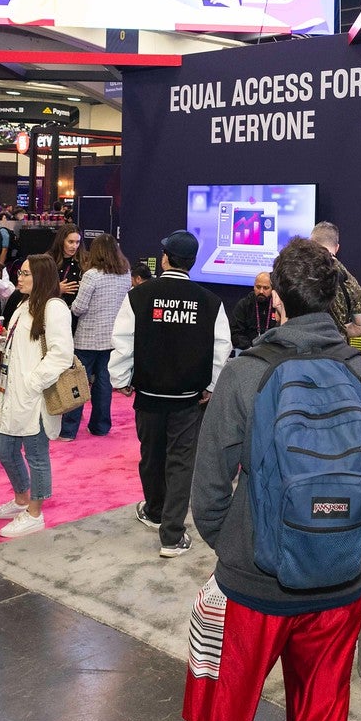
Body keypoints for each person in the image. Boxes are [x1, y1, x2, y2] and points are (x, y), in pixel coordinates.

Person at [183, 237, 361, 721]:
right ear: (333, 299)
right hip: (339, 591)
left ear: (275, 297)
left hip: (252, 588)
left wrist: (238, 548)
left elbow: (207, 491)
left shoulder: (246, 373)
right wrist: (358, 559)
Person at [111, 230, 231, 558]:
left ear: (165, 258)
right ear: (192, 262)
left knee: (151, 453)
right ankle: (172, 535)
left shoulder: (139, 296)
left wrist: (119, 378)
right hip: (188, 398)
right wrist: (210, 386)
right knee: (180, 461)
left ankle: (154, 510)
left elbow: (123, 340)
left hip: (148, 394)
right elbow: (222, 348)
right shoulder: (210, 301)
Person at [0, 255, 72, 539]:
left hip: (34, 397)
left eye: (25, 273)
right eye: (19, 273)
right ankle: (22, 499)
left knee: (37, 455)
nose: (19, 278)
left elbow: (61, 353)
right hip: (14, 394)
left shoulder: (54, 307)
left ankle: (35, 513)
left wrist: (33, 382)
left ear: (41, 276)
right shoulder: (25, 305)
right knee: (5, 450)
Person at [68, 231, 130, 438]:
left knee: (77, 384)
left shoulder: (91, 275)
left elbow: (79, 307)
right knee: (104, 384)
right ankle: (100, 426)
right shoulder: (125, 273)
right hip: (112, 338)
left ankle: (69, 429)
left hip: (87, 338)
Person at [308, 221, 361, 340]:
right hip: (337, 353)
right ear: (337, 247)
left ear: (311, 244)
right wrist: (337, 332)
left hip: (304, 351)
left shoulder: (299, 274)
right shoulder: (351, 283)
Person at [229, 269, 280, 351]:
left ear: (272, 289)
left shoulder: (277, 306)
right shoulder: (244, 304)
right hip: (247, 349)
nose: (261, 291)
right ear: (254, 286)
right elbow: (235, 333)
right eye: (258, 287)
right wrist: (249, 348)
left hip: (271, 350)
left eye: (266, 288)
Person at [49, 227, 84, 301]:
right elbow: (37, 288)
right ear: (61, 241)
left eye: (77, 242)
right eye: (70, 242)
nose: (74, 246)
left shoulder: (85, 260)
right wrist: (56, 290)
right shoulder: (48, 260)